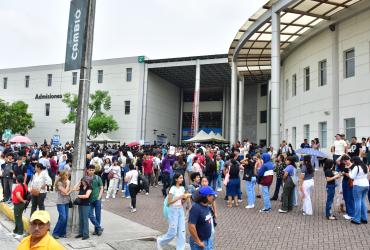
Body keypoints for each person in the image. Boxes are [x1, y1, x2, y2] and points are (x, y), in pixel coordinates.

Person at [157, 173, 189, 250]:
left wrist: (185, 199)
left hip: (180, 210)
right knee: (173, 231)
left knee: (182, 231)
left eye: (182, 178)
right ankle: (160, 240)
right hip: (173, 210)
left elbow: (182, 202)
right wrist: (179, 197)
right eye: (180, 178)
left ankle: (180, 248)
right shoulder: (172, 189)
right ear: (176, 179)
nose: (182, 179)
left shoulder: (182, 188)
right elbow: (169, 202)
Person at [349, 156, 369, 224]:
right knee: (362, 201)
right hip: (366, 184)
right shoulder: (365, 166)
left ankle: (357, 219)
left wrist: (349, 171)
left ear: (355, 161)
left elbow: (352, 176)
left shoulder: (356, 167)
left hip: (358, 185)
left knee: (357, 202)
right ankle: (364, 218)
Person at [86, 165, 104, 236]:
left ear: (94, 170)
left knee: (98, 215)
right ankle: (99, 227)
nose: (91, 171)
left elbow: (102, 188)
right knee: (90, 214)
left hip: (97, 199)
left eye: (92, 170)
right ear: (87, 170)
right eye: (90, 170)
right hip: (89, 200)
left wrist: (99, 197)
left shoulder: (97, 178)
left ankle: (97, 230)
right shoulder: (85, 178)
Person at [52, 171, 71, 239]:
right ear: (62, 176)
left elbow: (67, 192)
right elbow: (65, 192)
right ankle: (55, 233)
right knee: (63, 218)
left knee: (64, 218)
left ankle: (63, 233)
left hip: (66, 201)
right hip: (60, 202)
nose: (67, 177)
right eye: (66, 175)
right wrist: (68, 185)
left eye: (68, 175)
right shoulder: (59, 183)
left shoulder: (66, 182)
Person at [336, 154, 354, 220]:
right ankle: (348, 212)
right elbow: (337, 160)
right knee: (346, 197)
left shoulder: (353, 165)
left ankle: (351, 214)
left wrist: (345, 174)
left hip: (350, 182)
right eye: (343, 162)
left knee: (350, 198)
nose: (345, 163)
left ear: (348, 160)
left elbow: (352, 176)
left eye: (345, 161)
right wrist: (343, 154)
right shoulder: (343, 164)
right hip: (344, 182)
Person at [12, 175, 28, 239]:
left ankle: (20, 232)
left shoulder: (18, 187)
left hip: (18, 204)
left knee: (18, 218)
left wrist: (23, 201)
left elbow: (18, 196)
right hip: (20, 204)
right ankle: (16, 231)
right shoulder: (25, 185)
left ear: (17, 180)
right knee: (17, 217)